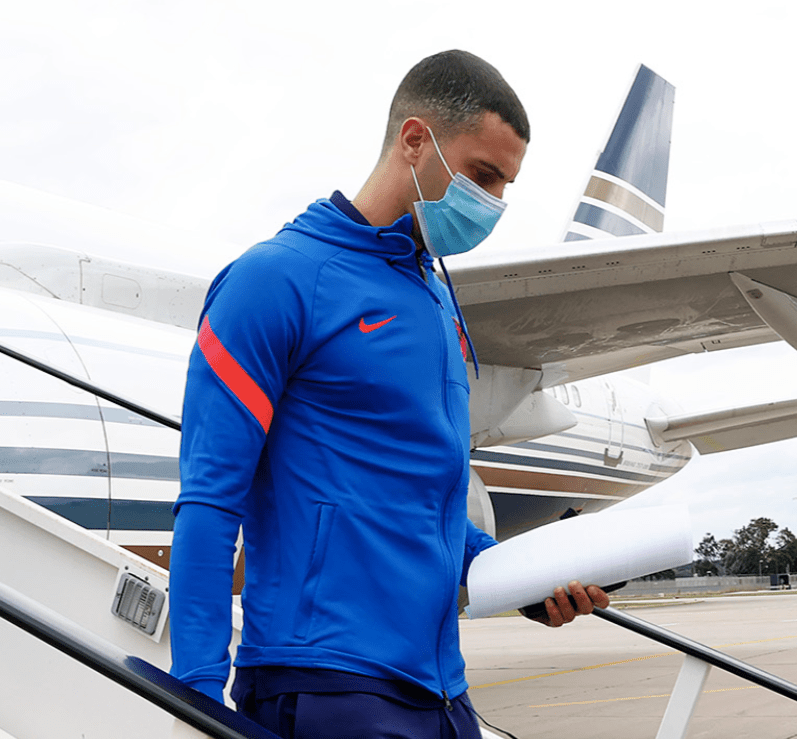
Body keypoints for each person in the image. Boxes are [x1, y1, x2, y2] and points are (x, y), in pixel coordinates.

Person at [168, 50, 608, 739]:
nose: (493, 203)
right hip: (325, 682)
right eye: (482, 175)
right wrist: (196, 697)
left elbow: (426, 504)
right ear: (414, 140)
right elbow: (209, 498)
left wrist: (526, 579)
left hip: (441, 689)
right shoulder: (275, 280)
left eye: (505, 185)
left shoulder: (434, 295)